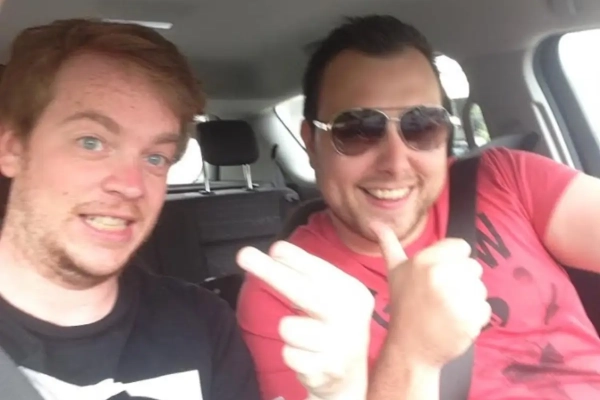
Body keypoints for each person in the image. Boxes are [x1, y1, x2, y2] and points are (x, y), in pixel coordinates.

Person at [236, 14, 600, 400]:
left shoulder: (506, 178)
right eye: (358, 129)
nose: (396, 163)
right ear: (311, 143)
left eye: (421, 125)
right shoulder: (282, 291)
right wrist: (413, 354)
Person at [0, 18, 261, 400]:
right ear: (12, 149)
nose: (132, 185)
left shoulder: (205, 323)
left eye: (155, 157)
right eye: (91, 142)